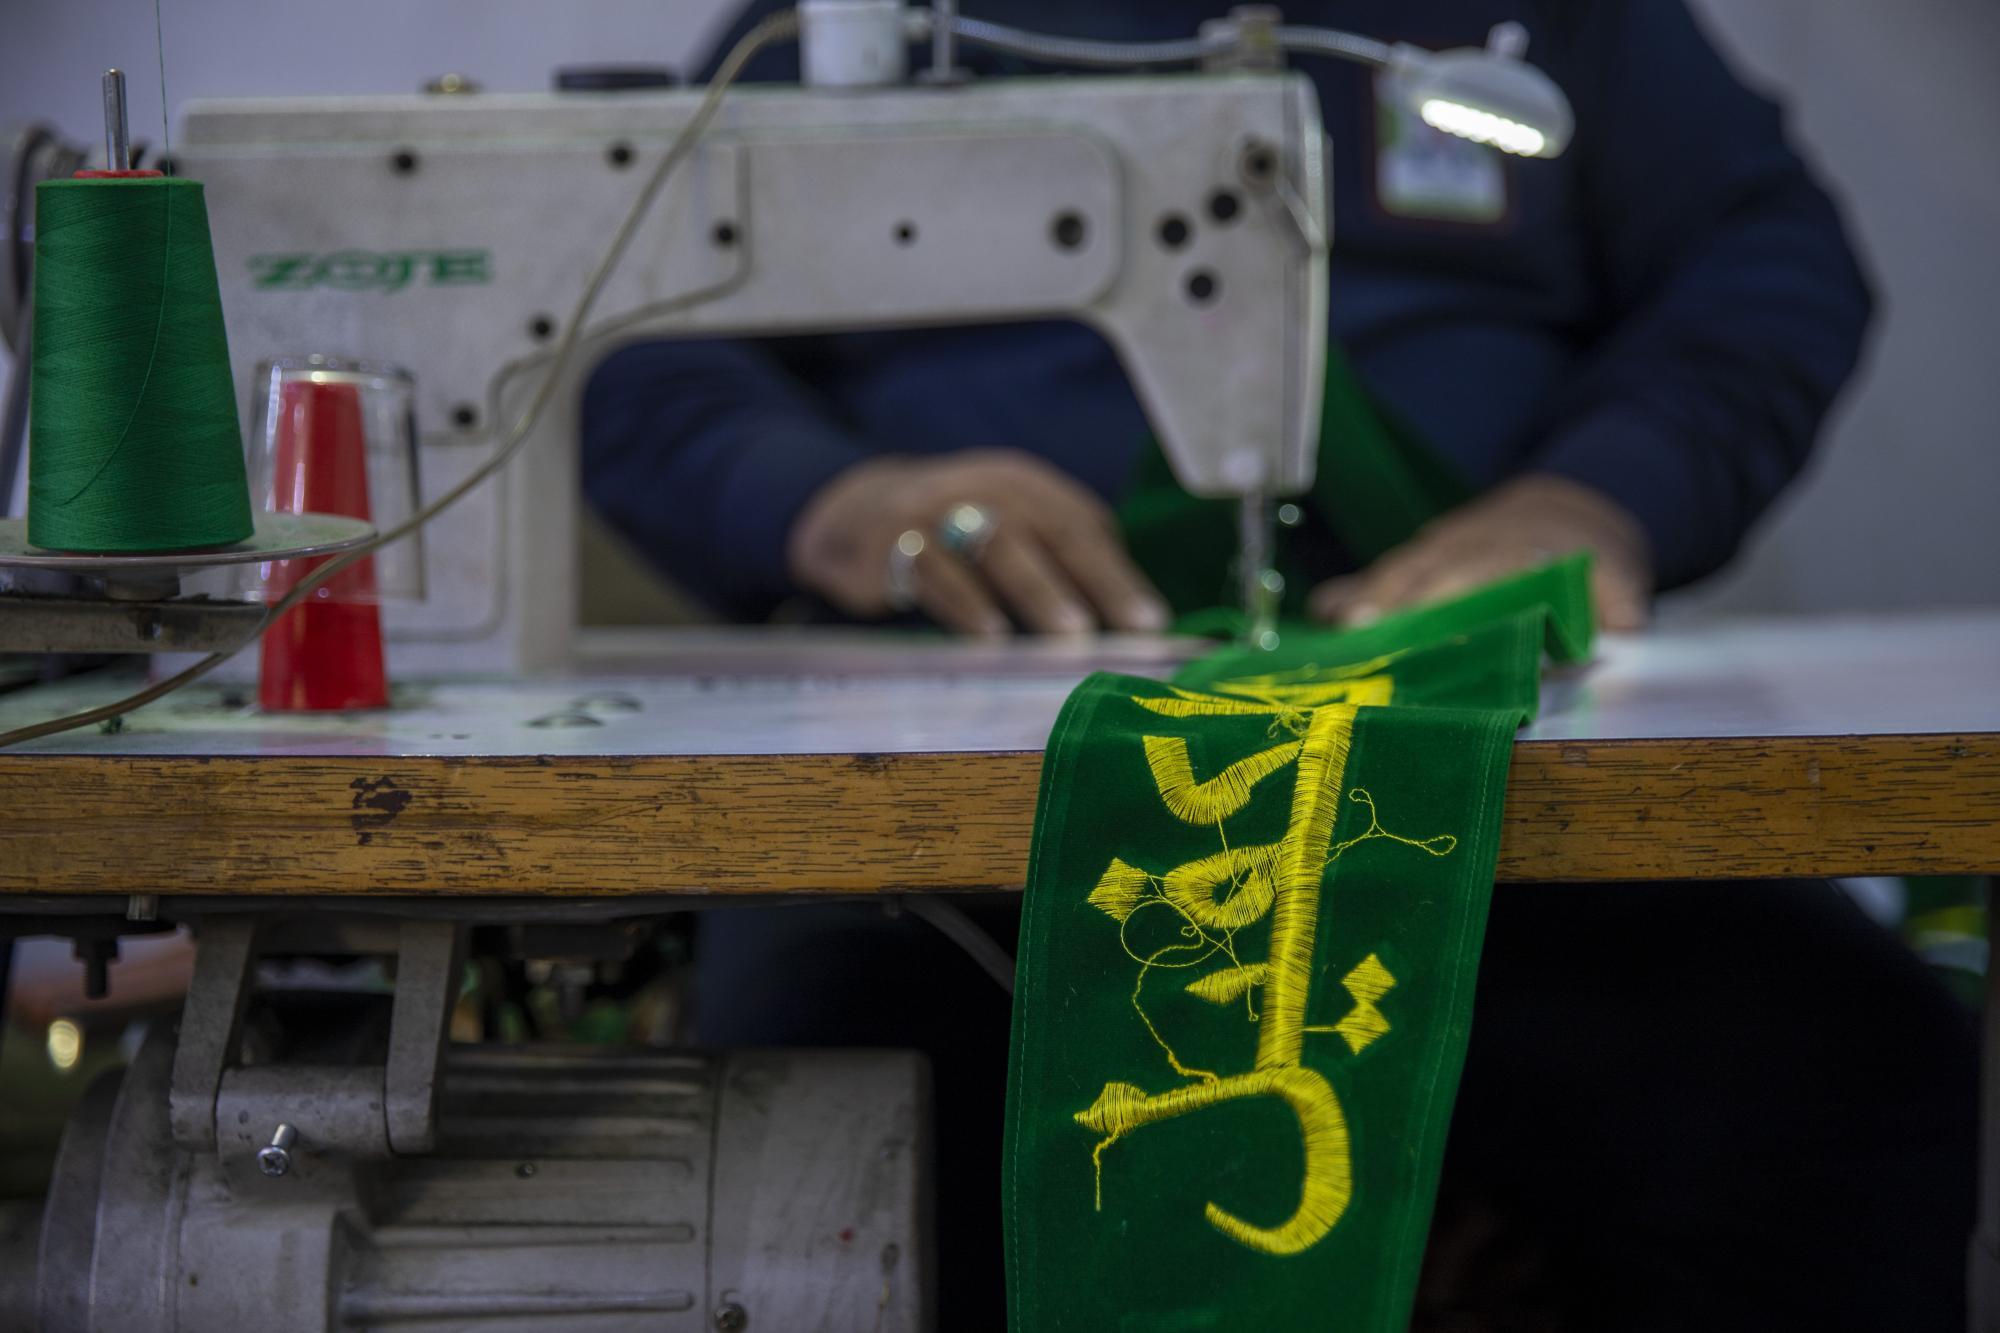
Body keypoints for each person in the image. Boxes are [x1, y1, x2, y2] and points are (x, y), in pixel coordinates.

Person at [583, 3, 1978, 1329]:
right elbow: (622, 320)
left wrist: (1603, 493)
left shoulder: (1572, 19)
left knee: (1858, 1076)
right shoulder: (846, 29)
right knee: (820, 1117)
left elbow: (1763, 261)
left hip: (1492, 778)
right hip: (951, 829)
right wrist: (827, 499)